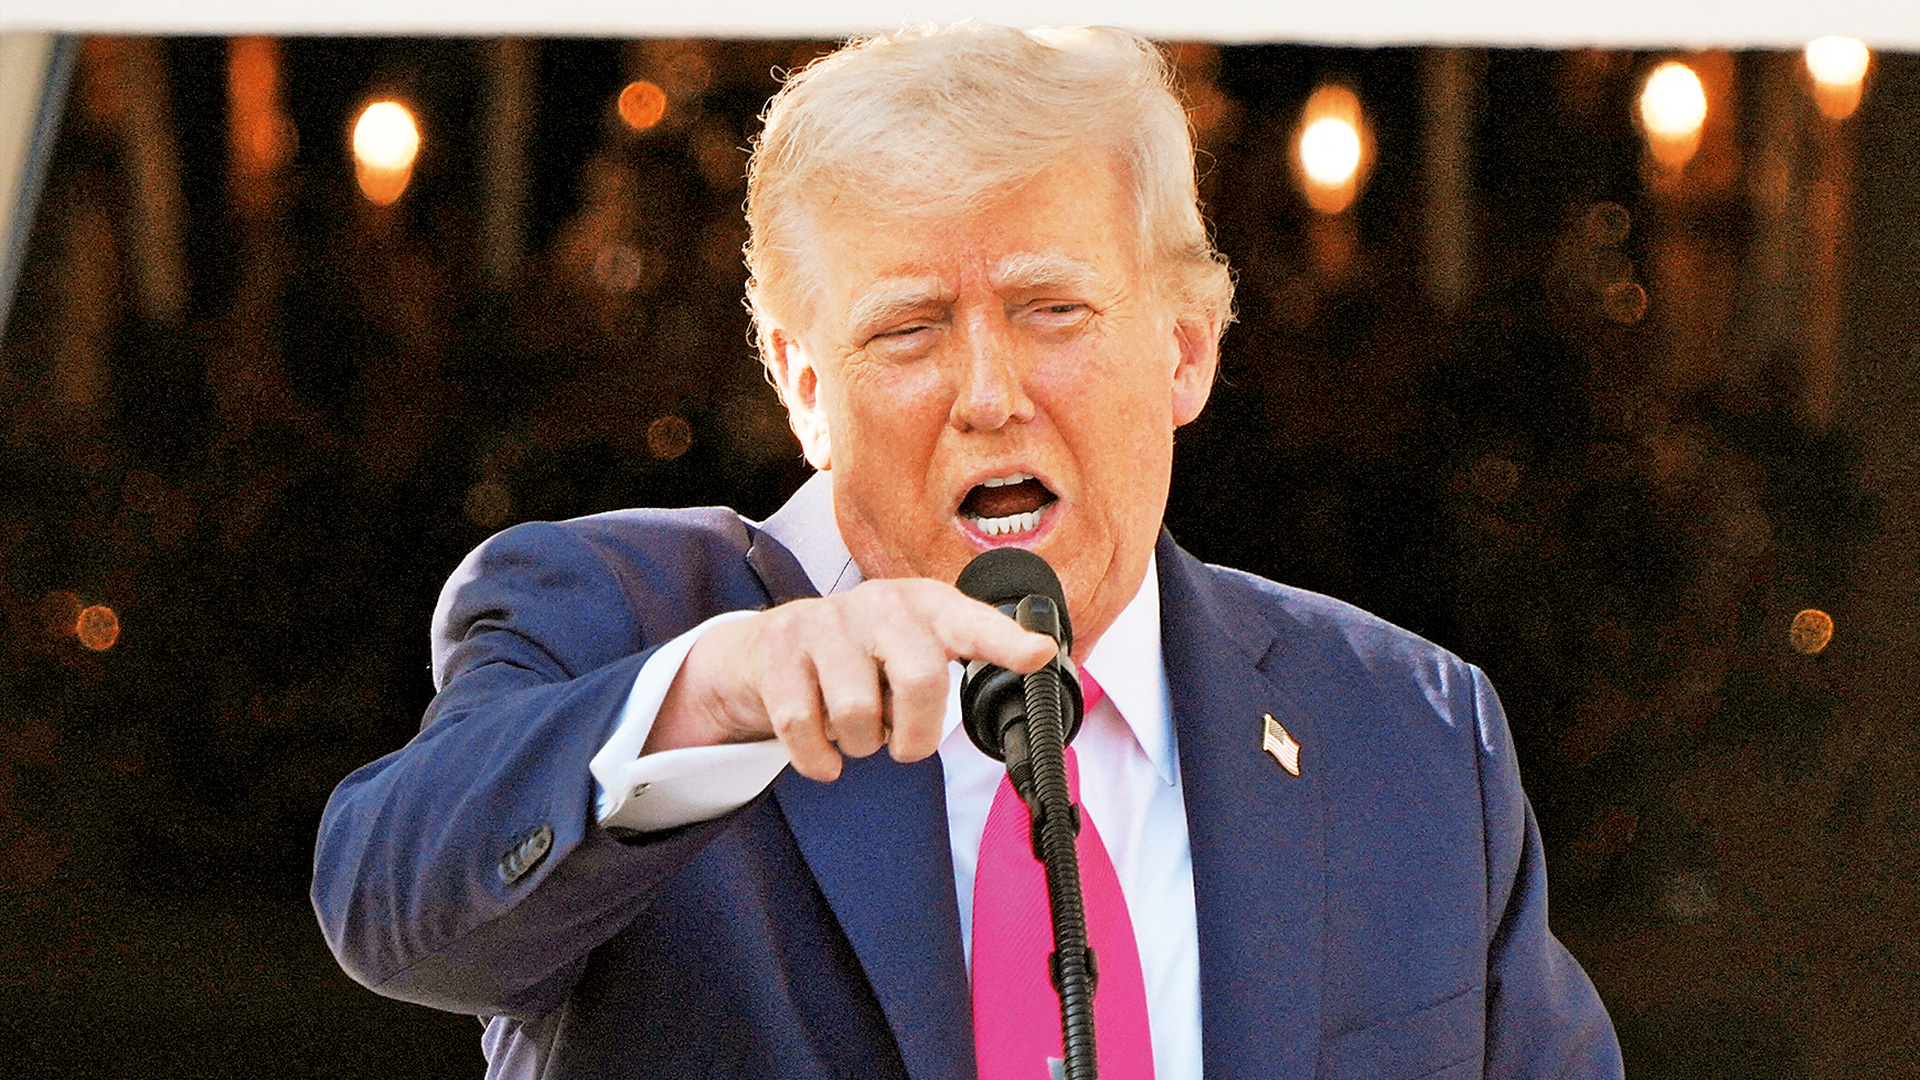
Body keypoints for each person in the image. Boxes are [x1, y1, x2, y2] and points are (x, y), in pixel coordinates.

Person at [313, 23, 1622, 1080]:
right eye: (909, 329)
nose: (988, 394)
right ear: (804, 386)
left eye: (1053, 309)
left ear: (1186, 348)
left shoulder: (1410, 729)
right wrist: (722, 692)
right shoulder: (619, 616)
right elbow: (390, 906)